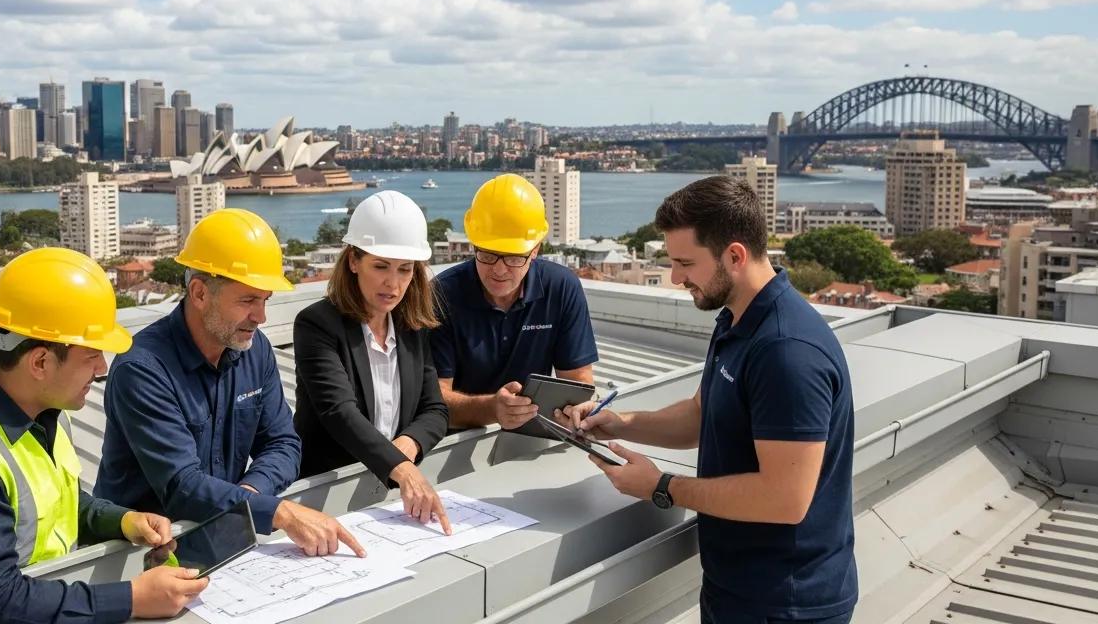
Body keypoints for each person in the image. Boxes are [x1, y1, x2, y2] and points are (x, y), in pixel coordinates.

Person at [559, 176, 857, 624]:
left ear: (734, 256)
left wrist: (661, 487)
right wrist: (621, 423)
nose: (676, 277)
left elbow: (785, 499)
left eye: (685, 263)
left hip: (786, 604)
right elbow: (703, 415)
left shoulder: (785, 351)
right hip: (736, 588)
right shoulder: (737, 318)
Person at [0, 247, 208, 623]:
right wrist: (132, 598)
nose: (102, 368)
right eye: (91, 355)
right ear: (40, 362)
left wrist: (119, 520)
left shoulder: (42, 412)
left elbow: (52, 507)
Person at [96, 208, 365, 558]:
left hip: (225, 540)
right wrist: (277, 512)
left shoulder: (255, 350)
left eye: (265, 300)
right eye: (248, 300)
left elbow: (283, 443)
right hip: (137, 558)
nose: (261, 316)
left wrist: (250, 493)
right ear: (199, 293)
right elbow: (181, 484)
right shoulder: (142, 369)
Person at [292, 191, 453, 532]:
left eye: (404, 270)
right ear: (353, 261)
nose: (392, 284)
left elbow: (434, 410)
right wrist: (402, 467)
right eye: (380, 266)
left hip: (390, 500)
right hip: (326, 496)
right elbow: (339, 411)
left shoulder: (411, 326)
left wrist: (408, 445)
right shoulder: (316, 324)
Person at [431, 173, 599, 430]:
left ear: (535, 250)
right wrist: (492, 409)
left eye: (513, 258)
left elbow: (577, 381)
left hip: (532, 436)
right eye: (487, 254)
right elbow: (433, 401)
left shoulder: (562, 287)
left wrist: (579, 409)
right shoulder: (441, 295)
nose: (499, 270)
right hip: (454, 443)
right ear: (473, 244)